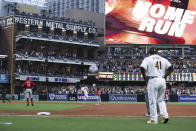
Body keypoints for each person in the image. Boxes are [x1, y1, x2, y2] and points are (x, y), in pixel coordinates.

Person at [140, 47, 173, 124]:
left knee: (152, 101)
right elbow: (171, 67)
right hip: (162, 79)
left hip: (153, 79)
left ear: (150, 52)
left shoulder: (148, 59)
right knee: (161, 100)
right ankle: (165, 116)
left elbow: (142, 67)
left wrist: (145, 78)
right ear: (157, 52)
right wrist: (165, 76)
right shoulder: (163, 59)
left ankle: (153, 119)